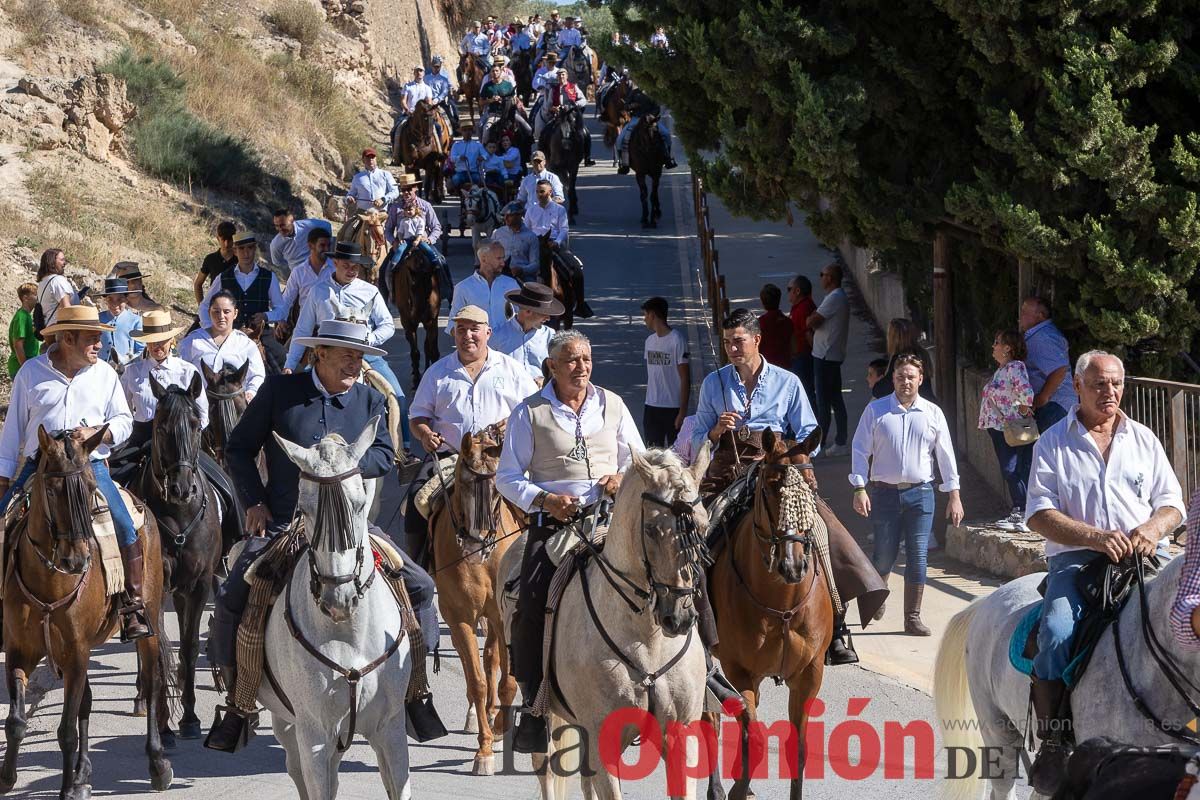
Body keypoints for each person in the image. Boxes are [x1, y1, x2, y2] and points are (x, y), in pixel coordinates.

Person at [205, 316, 445, 749]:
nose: (356, 365)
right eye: (347, 356)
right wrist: (254, 501)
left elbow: (385, 457)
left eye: (360, 357)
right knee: (236, 593)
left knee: (421, 586)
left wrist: (344, 470)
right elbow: (239, 448)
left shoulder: (370, 400)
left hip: (350, 526)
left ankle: (416, 691)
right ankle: (238, 703)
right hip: (285, 520)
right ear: (320, 354)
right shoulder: (281, 392)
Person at [1023, 350, 1184, 793]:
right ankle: (1054, 740)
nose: (1108, 391)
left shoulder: (1144, 439)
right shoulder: (1053, 441)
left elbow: (1173, 504)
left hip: (1143, 558)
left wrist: (1152, 527)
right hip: (1077, 560)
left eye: (1115, 383)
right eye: (1098, 383)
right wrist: (1095, 537)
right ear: (1077, 386)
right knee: (1055, 632)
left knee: (1187, 619)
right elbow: (1038, 514)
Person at [693, 309, 883, 665]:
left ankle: (838, 624)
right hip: (729, 472)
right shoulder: (713, 384)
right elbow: (694, 437)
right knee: (699, 537)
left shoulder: (787, 382)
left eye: (739, 341)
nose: (733, 348)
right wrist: (717, 430)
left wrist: (799, 463)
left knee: (822, 528)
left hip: (778, 469)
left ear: (757, 340)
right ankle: (697, 627)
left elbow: (809, 432)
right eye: (727, 342)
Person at [498, 329, 645, 753]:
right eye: (572, 360)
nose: (581, 367)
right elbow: (507, 476)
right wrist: (544, 498)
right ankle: (534, 703)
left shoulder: (612, 405)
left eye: (586, 359)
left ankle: (706, 670)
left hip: (613, 519)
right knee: (529, 603)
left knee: (677, 568)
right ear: (553, 366)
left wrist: (621, 477)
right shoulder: (530, 412)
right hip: (556, 523)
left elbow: (637, 458)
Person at [0, 305, 148, 640]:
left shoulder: (105, 375)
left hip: (89, 466)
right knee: (2, 519)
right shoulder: (31, 373)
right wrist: (5, 479)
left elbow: (124, 422)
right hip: (43, 466)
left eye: (100, 339)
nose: (100, 345)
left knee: (124, 523)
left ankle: (132, 603)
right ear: (67, 338)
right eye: (92, 339)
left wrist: (100, 431)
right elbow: (13, 432)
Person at [405, 305, 537, 560]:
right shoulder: (437, 372)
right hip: (451, 459)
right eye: (461, 330)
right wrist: (424, 434)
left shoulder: (512, 370)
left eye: (474, 329)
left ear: (488, 333)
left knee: (537, 501)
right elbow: (418, 416)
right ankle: (417, 572)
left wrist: (511, 424)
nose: (467, 336)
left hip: (503, 460)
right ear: (453, 334)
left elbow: (536, 412)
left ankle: (534, 563)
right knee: (416, 501)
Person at [850, 353, 964, 636]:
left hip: (921, 494)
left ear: (920, 379)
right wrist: (859, 487)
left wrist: (954, 494)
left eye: (911, 377)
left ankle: (912, 617)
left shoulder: (932, 413)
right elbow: (860, 450)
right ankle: (879, 592)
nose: (905, 382)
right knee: (884, 556)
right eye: (900, 376)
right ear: (893, 379)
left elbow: (946, 455)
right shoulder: (876, 411)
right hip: (884, 494)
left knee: (918, 556)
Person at [285, 242, 407, 437]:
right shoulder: (318, 291)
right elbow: (302, 328)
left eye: (355, 267)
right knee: (295, 398)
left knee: (397, 396)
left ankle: (404, 451)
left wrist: (370, 338)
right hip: (326, 355)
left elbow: (387, 325)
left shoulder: (370, 291)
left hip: (364, 353)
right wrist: (290, 364)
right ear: (335, 262)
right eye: (346, 266)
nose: (351, 270)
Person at [119, 309, 207, 450]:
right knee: (116, 470)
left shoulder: (188, 371)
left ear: (172, 340)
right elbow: (122, 410)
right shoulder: (132, 372)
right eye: (151, 341)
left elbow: (203, 413)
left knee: (212, 471)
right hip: (141, 440)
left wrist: (189, 437)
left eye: (161, 340)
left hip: (181, 441)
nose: (155, 345)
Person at [979, 330, 1035, 532]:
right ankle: (1020, 510)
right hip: (999, 427)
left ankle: (1022, 511)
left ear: (1008, 347)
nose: (993, 347)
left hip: (1009, 427)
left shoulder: (1014, 367)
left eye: (997, 343)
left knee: (1012, 469)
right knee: (1011, 469)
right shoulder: (1003, 369)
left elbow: (1026, 393)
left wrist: (1021, 406)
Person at [178, 290, 267, 401]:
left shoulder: (246, 344)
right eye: (216, 311)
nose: (221, 316)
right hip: (199, 404)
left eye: (226, 311)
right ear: (209, 312)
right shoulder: (192, 341)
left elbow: (257, 375)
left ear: (235, 313)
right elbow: (179, 371)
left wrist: (251, 392)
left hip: (235, 405)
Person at [525, 180, 592, 318]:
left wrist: (557, 242)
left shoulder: (559, 210)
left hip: (553, 245)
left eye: (542, 191)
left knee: (576, 270)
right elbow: (527, 229)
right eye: (537, 191)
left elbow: (564, 229)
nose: (539, 194)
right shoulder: (531, 210)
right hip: (536, 244)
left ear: (550, 192)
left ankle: (580, 304)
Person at [198, 232, 284, 331]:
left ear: (255, 249)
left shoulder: (269, 277)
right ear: (235, 251)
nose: (246, 253)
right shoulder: (223, 277)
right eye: (241, 248)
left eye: (250, 248)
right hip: (229, 335)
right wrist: (210, 328)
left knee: (277, 347)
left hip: (260, 334)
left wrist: (266, 316)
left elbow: (281, 310)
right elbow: (204, 306)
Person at [806, 263, 850, 456]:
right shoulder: (835, 297)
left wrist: (811, 319)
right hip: (828, 354)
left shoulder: (834, 298)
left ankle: (821, 442)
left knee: (826, 401)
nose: (820, 277)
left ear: (830, 278)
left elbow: (812, 321)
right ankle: (838, 440)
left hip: (826, 355)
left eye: (822, 274)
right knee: (833, 399)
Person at [1021, 296, 1077, 433]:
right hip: (1052, 406)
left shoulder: (1043, 336)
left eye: (1024, 312)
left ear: (1040, 316)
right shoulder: (1040, 335)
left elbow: (1059, 369)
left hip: (1054, 406)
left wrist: (1043, 397)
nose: (1020, 316)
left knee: (1051, 452)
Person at [641, 296, 689, 448]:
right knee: (653, 455)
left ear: (653, 315)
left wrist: (682, 412)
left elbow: (685, 378)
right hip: (651, 406)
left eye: (645, 315)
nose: (644, 319)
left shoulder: (677, 340)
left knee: (675, 456)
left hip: (672, 407)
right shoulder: (649, 341)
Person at [270, 226, 334, 339]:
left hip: (330, 325)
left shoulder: (335, 269)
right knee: (288, 354)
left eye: (328, 245)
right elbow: (287, 299)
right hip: (305, 326)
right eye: (322, 245)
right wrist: (281, 320)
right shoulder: (298, 272)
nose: (326, 249)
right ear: (311, 246)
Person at [490, 282, 559, 382]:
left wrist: (545, 379)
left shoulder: (549, 335)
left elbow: (559, 366)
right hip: (508, 393)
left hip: (539, 394)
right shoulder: (497, 335)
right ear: (527, 311)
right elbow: (488, 368)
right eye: (544, 314)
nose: (548, 318)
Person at [446, 241, 520, 334]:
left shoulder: (511, 284)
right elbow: (453, 325)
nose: (503, 263)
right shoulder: (463, 288)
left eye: (503, 258)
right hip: (478, 346)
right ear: (484, 259)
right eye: (498, 258)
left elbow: (523, 316)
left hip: (508, 346)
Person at [871, 318, 936, 401]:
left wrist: (878, 381)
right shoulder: (922, 353)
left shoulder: (900, 360)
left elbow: (882, 390)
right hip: (929, 402)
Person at [615, 87, 675, 172]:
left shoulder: (653, 92)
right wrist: (632, 106)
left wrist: (651, 116)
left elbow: (657, 108)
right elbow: (626, 106)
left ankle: (668, 159)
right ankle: (623, 163)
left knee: (666, 134)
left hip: (650, 119)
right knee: (620, 139)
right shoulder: (634, 93)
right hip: (636, 119)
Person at [97, 277, 144, 366]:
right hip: (101, 369)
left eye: (120, 299)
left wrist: (128, 360)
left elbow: (141, 349)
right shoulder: (98, 319)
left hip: (126, 370)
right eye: (110, 299)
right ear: (105, 300)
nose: (115, 304)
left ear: (126, 299)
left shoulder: (135, 321)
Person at [35, 247, 78, 345]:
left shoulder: (43, 282)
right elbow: (67, 308)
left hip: (49, 332)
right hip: (60, 332)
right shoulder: (58, 280)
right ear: (52, 262)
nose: (65, 263)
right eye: (62, 260)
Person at [492, 201, 540, 281]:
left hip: (522, 276)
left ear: (519, 216)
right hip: (500, 274)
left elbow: (535, 264)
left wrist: (522, 270)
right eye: (505, 215)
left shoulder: (531, 236)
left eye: (510, 215)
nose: (506, 218)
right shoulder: (498, 233)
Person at [345, 148, 399, 212]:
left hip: (381, 213)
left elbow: (395, 192)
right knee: (350, 222)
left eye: (372, 157)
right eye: (368, 157)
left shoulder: (386, 174)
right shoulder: (357, 178)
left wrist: (383, 199)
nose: (370, 160)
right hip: (362, 213)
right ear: (363, 160)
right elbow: (350, 194)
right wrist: (349, 198)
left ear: (376, 159)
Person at [196, 221, 237, 303]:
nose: (226, 244)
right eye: (223, 240)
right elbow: (198, 284)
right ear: (218, 238)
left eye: (229, 239)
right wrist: (202, 308)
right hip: (216, 306)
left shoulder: (240, 260)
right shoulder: (210, 259)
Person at [8, 283, 40, 378]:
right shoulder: (22, 316)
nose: (38, 298)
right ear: (25, 298)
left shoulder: (27, 316)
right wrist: (25, 367)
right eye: (35, 295)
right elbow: (18, 344)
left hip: (26, 366)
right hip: (20, 368)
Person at [757, 283, 793, 368]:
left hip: (766, 365)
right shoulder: (788, 322)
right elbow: (793, 347)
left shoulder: (760, 323)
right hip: (785, 365)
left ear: (762, 302)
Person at [424, 54, 459, 131]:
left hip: (440, 101)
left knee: (449, 114)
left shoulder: (444, 77)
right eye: (434, 66)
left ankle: (454, 128)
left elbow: (445, 91)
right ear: (431, 65)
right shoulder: (426, 77)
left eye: (438, 66)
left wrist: (438, 99)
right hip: (428, 101)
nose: (436, 68)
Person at [449, 121, 487, 190]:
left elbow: (485, 154)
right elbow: (452, 158)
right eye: (464, 130)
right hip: (461, 172)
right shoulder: (456, 145)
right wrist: (459, 158)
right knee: (456, 179)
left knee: (478, 179)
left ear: (472, 132)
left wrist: (482, 157)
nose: (467, 132)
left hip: (473, 172)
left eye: (469, 130)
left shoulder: (477, 145)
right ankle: (459, 193)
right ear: (462, 132)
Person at [398, 65, 434, 130]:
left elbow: (429, 103)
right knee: (396, 128)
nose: (419, 73)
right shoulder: (407, 86)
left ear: (424, 73)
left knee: (437, 128)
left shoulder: (427, 88)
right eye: (417, 71)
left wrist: (426, 112)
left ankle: (439, 140)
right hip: (409, 114)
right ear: (414, 73)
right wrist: (407, 110)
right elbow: (403, 100)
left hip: (423, 116)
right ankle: (394, 140)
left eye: (421, 71)